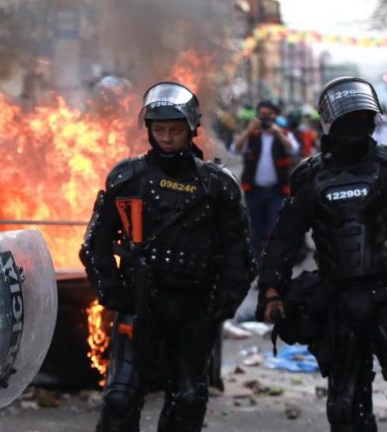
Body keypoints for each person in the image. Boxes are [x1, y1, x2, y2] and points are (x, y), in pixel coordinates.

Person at [257, 76, 387, 432]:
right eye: (347, 120)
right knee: (345, 409)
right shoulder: (310, 178)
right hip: (340, 299)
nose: (355, 127)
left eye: (361, 118)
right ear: (331, 124)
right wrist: (272, 289)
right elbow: (283, 240)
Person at [80, 81, 254, 432]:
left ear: (191, 130)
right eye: (159, 129)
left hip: (194, 307)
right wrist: (112, 292)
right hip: (140, 303)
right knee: (120, 397)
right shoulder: (129, 177)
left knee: (188, 399)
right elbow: (95, 243)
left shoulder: (217, 184)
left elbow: (240, 251)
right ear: (149, 130)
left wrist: (223, 303)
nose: (167, 137)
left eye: (175, 130)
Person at [230, 100, 299, 259]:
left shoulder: (284, 133)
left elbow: (294, 149)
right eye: (262, 115)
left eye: (269, 115)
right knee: (255, 228)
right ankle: (256, 261)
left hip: (277, 191)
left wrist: (278, 133)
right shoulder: (252, 135)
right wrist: (248, 131)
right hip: (254, 192)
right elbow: (235, 149)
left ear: (275, 116)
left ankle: (272, 260)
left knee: (274, 227)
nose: (265, 118)